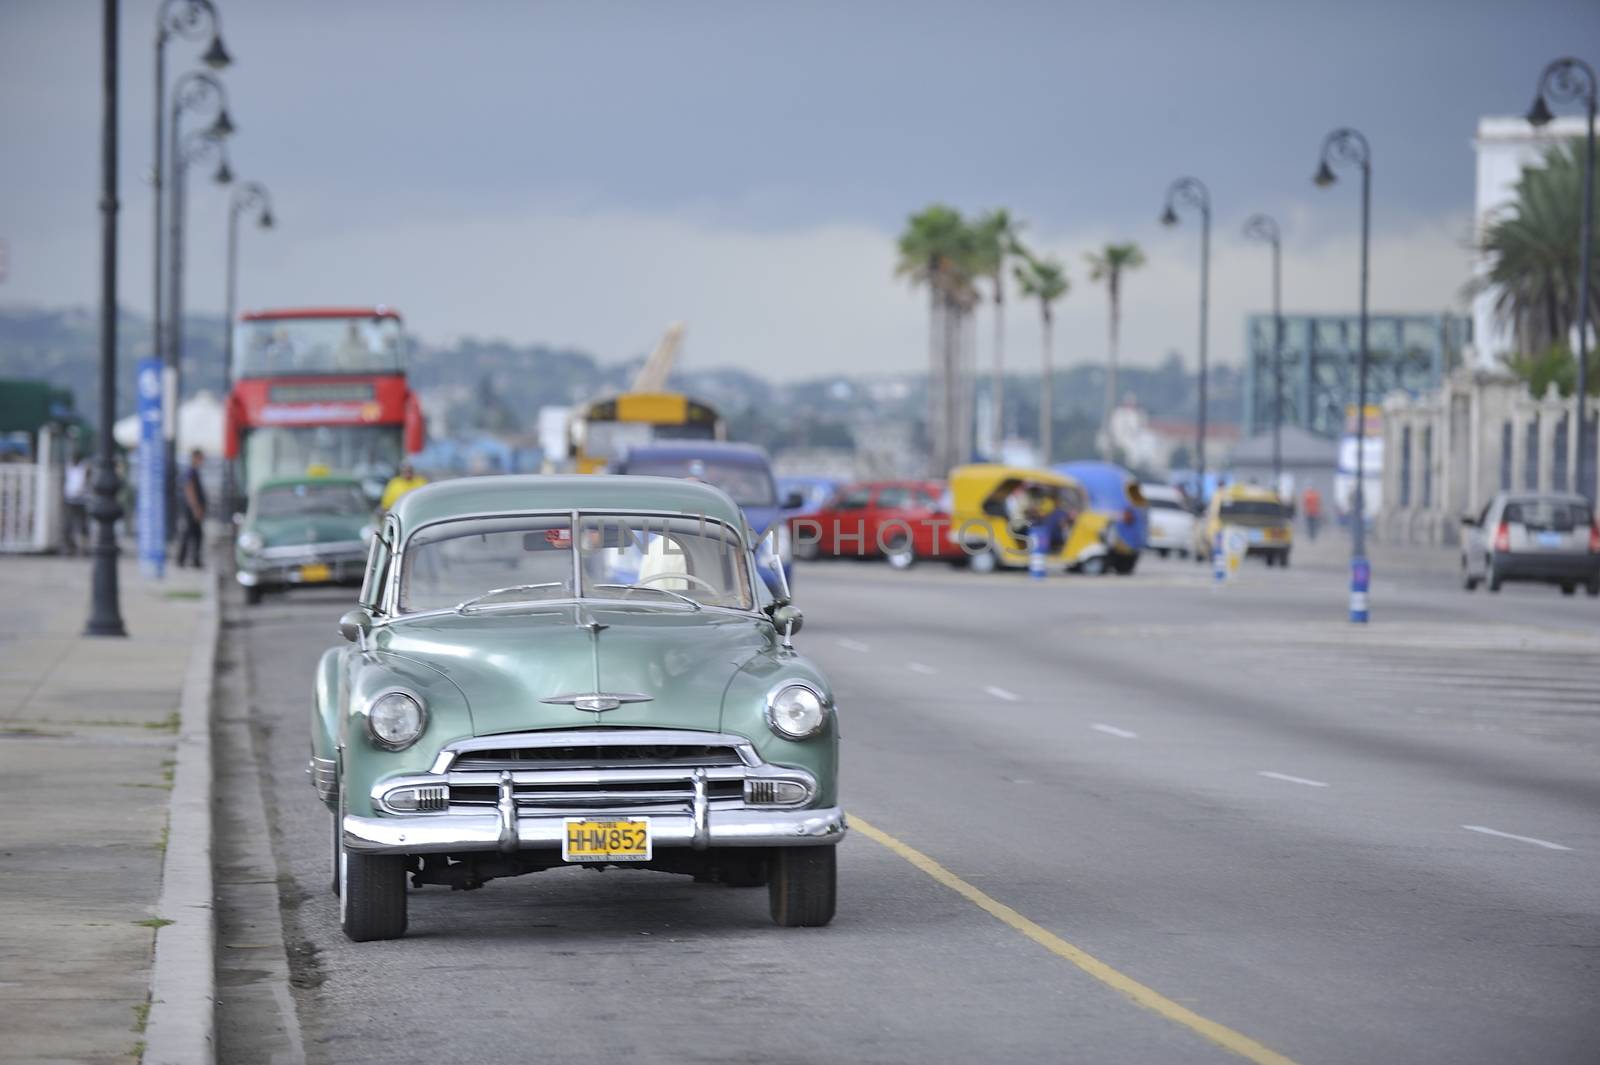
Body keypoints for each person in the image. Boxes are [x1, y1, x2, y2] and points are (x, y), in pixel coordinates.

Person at [176, 449, 208, 568]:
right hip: (191, 510)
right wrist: (196, 508)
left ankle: (191, 560)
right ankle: (184, 559)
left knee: (195, 535)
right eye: (200, 458)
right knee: (190, 534)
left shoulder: (193, 471)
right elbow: (189, 490)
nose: (202, 461)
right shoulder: (191, 472)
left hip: (192, 509)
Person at [62, 453, 90, 555]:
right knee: (69, 524)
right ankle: (70, 546)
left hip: (81, 499)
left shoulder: (84, 468)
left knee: (82, 524)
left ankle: (82, 547)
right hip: (71, 498)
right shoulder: (69, 467)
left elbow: (86, 478)